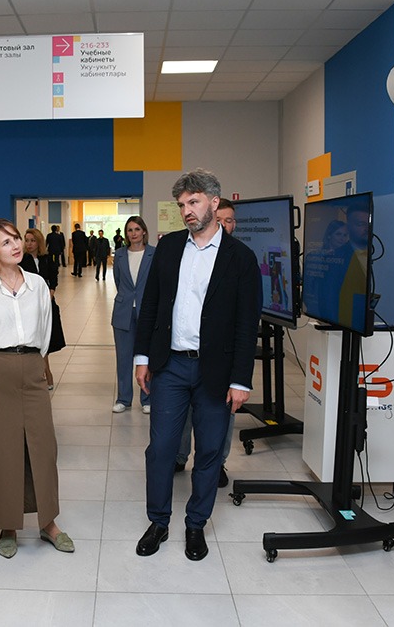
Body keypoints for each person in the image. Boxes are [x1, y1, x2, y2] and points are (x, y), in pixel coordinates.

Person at [133, 169, 259, 562]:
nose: (187, 210)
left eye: (194, 202)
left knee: (208, 452)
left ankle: (195, 525)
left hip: (215, 372)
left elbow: (247, 324)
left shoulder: (241, 258)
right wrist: (142, 357)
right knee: (161, 449)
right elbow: (151, 304)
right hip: (170, 366)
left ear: (214, 203)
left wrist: (241, 380)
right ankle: (158, 522)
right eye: (182, 204)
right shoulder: (170, 247)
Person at [0, 219, 73, 558]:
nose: (15, 245)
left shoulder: (37, 284)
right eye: (5, 242)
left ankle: (48, 522)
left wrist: (35, 364)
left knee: (42, 447)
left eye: (15, 239)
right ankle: (7, 524)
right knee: (2, 450)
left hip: (31, 368)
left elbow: (45, 331)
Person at [175, 197, 239, 488]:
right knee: (185, 411)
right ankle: (179, 455)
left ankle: (217, 463)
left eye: (230, 221)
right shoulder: (190, 253)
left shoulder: (238, 258)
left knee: (221, 414)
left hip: (221, 356)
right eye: (220, 219)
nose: (224, 225)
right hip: (187, 352)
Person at [111, 215, 155, 415]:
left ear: (144, 231)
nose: (134, 233)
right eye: (130, 230)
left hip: (147, 311)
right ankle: (123, 399)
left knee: (146, 357)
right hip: (124, 311)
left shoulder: (153, 253)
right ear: (126, 234)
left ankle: (147, 398)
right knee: (124, 357)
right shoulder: (120, 254)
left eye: (137, 229)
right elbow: (118, 281)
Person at [21, 227, 65, 389]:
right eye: (27, 240)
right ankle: (44, 374)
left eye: (33, 241)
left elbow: (53, 279)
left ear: (39, 242)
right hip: (28, 306)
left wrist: (50, 295)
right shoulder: (21, 261)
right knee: (33, 342)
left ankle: (46, 373)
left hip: (46, 304)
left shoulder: (47, 259)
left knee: (45, 340)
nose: (29, 244)